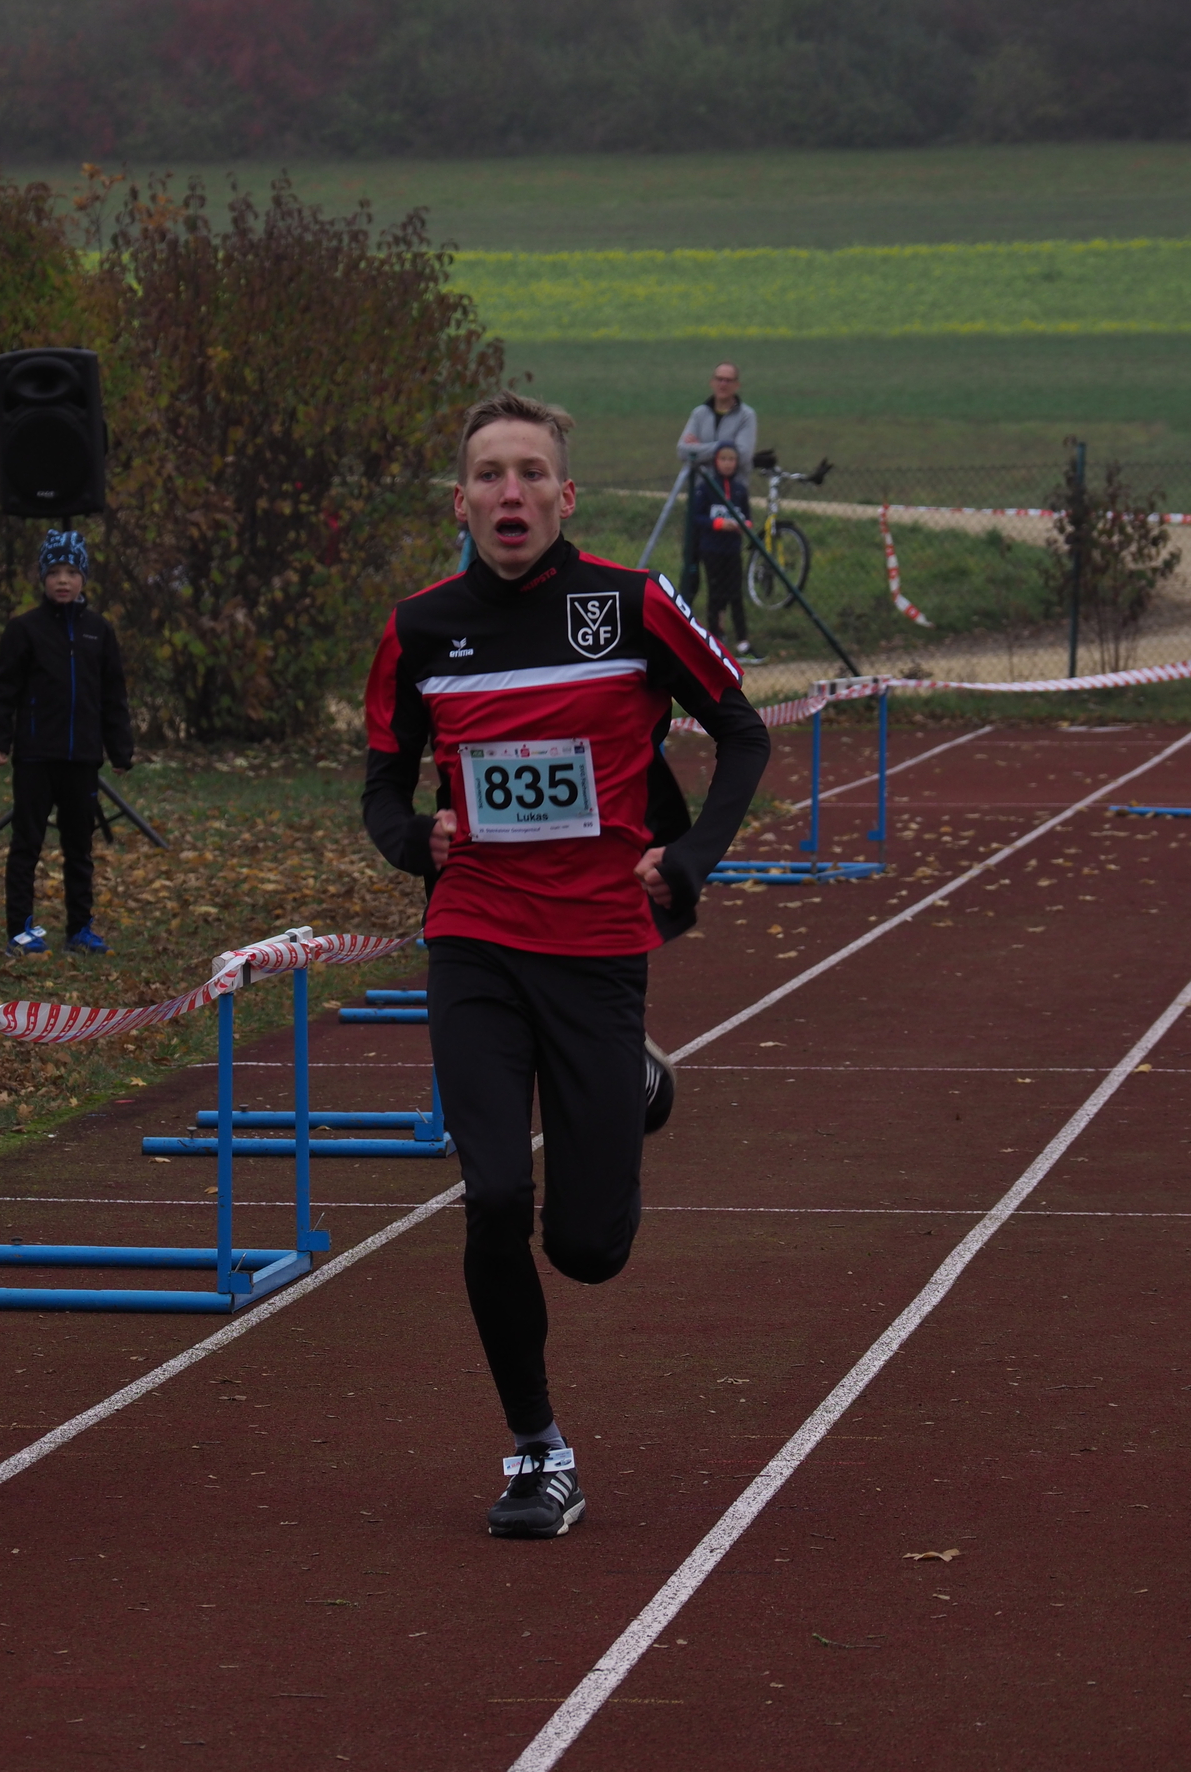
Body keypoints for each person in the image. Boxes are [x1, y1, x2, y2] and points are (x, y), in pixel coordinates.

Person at [362, 389, 770, 1539]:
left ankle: (630, 1081)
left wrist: (687, 860)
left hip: (595, 948)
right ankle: (537, 1448)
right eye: (490, 474)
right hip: (475, 940)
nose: (511, 491)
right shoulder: (420, 628)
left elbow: (743, 733)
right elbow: (383, 790)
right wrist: (417, 840)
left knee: (587, 1249)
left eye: (530, 472)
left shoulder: (631, 605)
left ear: (565, 496)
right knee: (493, 1195)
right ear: (460, 502)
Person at [0, 528, 134, 958]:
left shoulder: (98, 632)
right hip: (35, 756)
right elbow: (4, 690)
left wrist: (119, 747)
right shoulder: (24, 630)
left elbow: (112, 694)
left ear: (83, 577)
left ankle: (80, 928)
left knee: (79, 847)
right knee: (27, 843)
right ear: (42, 578)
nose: (63, 580)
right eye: (54, 572)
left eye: (71, 572)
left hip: (81, 757)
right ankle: (20, 929)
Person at [677, 361, 757, 603]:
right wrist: (723, 449)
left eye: (728, 380)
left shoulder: (746, 416)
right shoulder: (699, 413)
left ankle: (721, 615)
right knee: (691, 559)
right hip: (701, 494)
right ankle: (684, 608)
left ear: (736, 385)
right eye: (719, 379)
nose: (723, 384)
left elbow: (743, 455)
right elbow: (682, 450)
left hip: (730, 498)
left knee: (724, 567)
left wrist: (701, 448)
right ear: (712, 382)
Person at [697, 442, 761, 663]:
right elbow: (697, 517)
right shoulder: (706, 487)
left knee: (736, 595)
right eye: (723, 459)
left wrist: (744, 526)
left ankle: (743, 642)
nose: (727, 464)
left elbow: (748, 517)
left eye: (731, 459)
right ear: (716, 462)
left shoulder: (739, 489)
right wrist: (717, 524)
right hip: (712, 549)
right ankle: (715, 640)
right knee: (716, 594)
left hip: (732, 550)